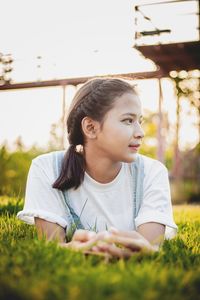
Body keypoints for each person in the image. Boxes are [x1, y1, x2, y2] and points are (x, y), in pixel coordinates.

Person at [17, 77, 178, 259]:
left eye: (139, 120)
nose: (140, 132)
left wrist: (137, 253)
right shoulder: (47, 168)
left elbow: (150, 247)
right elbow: (51, 246)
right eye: (128, 120)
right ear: (91, 127)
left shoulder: (152, 171)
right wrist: (72, 249)